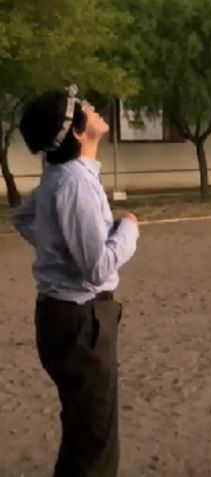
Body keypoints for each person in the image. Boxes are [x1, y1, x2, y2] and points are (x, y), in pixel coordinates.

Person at [12, 85, 140, 477]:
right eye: (82, 107)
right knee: (95, 439)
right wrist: (130, 228)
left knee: (84, 429)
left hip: (63, 315)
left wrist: (56, 250)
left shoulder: (61, 175)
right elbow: (99, 269)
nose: (91, 107)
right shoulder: (75, 183)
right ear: (77, 132)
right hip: (81, 320)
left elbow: (22, 218)